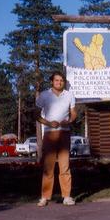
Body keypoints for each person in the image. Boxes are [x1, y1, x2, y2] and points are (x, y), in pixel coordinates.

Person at [35, 71, 77, 207]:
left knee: (65, 167)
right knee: (48, 167)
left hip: (64, 133)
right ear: (52, 82)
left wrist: (68, 121)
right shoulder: (44, 95)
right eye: (56, 80)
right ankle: (45, 197)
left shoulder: (69, 95)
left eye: (61, 80)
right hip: (49, 134)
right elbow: (36, 115)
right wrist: (48, 123)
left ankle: (67, 197)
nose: (59, 82)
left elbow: (74, 113)